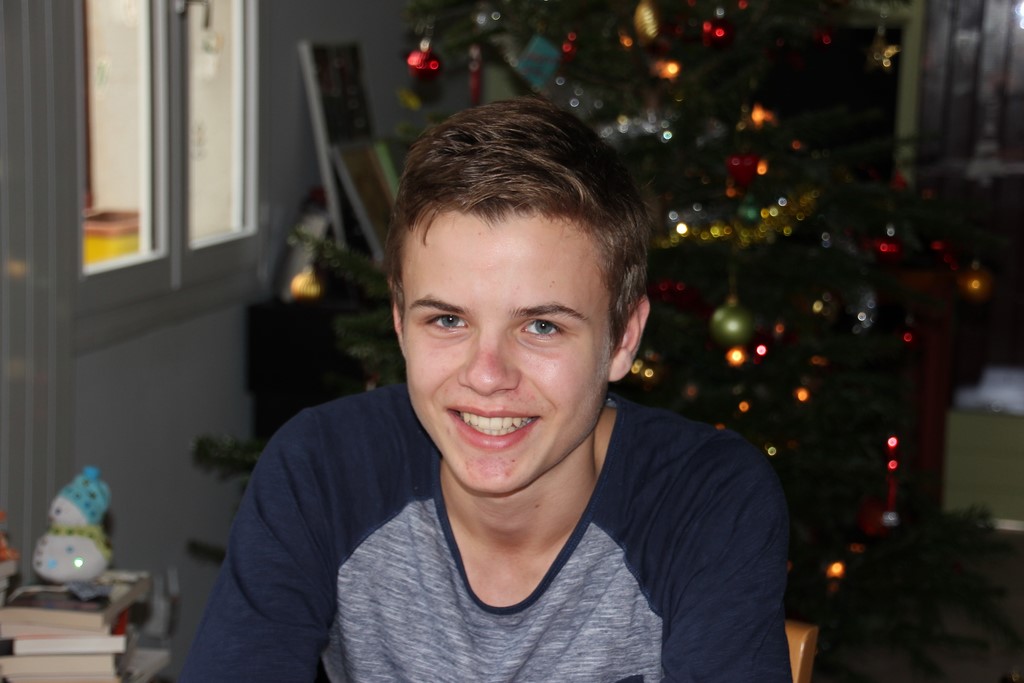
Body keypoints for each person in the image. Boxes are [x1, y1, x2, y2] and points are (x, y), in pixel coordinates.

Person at [180, 96, 791, 681]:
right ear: (399, 323)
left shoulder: (707, 501)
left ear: (623, 338)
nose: (487, 375)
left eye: (542, 326)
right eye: (448, 320)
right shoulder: (322, 470)